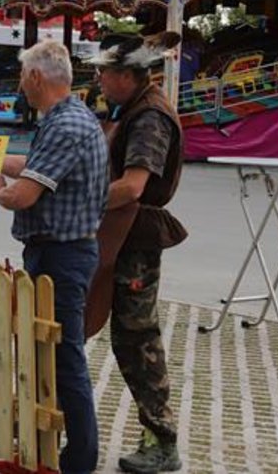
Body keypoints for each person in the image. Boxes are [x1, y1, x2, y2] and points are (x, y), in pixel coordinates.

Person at [0, 41, 107, 474]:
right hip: (55, 252)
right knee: (43, 354)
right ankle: (42, 454)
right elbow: (33, 165)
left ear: (36, 77)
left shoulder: (67, 124)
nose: (20, 85)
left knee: (65, 356)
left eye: (22, 76)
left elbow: (23, 194)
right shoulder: (64, 119)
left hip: (63, 256)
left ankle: (79, 461)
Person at [91, 33, 186, 474]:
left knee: (137, 338)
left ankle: (163, 441)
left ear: (127, 76)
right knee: (123, 335)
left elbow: (132, 187)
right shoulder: (133, 107)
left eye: (105, 71)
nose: (99, 78)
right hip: (120, 233)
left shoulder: (149, 117)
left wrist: (78, 198)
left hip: (136, 237)